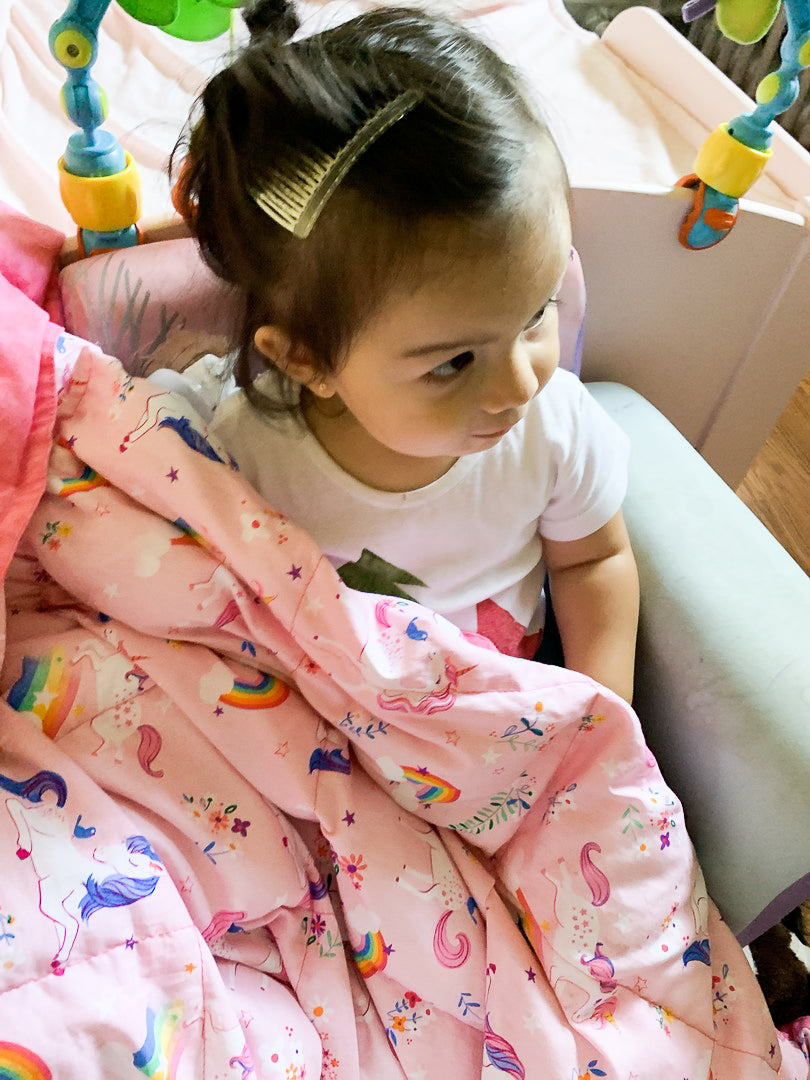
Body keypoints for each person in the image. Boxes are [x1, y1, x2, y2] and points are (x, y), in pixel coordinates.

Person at [164, 0, 640, 702]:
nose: (518, 386)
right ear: (306, 362)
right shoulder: (241, 453)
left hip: (503, 726)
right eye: (452, 363)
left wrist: (604, 711)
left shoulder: (556, 428)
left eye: (536, 313)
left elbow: (594, 561)